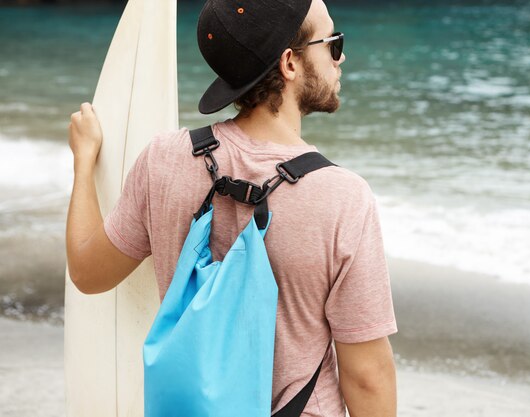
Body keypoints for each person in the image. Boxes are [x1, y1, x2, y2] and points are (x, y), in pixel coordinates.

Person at [66, 0, 397, 415]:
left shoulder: (164, 160)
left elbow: (88, 272)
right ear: (290, 64)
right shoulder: (341, 197)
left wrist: (83, 163)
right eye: (332, 42)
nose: (341, 55)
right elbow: (367, 376)